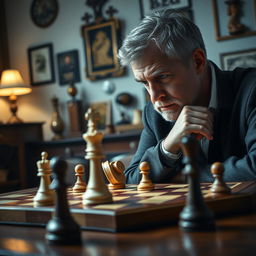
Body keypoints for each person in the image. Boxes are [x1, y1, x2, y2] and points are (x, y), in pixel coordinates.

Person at [118, 9, 256, 184]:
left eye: (162, 77)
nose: (154, 97)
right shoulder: (154, 113)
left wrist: (187, 176)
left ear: (198, 61)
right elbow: (133, 179)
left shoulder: (252, 90)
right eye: (144, 83)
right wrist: (168, 146)